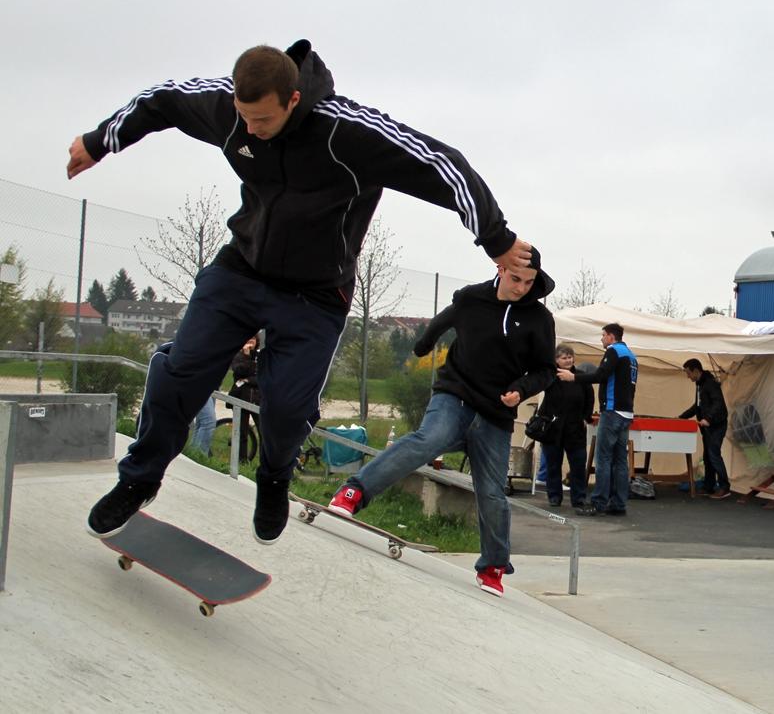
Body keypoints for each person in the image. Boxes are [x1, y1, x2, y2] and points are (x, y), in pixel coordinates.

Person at [74, 40, 531, 543]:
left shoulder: (348, 133)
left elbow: (442, 163)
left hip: (316, 293)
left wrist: (496, 237)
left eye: (263, 121)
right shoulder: (230, 110)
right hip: (242, 268)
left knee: (288, 406)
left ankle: (273, 477)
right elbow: (161, 99)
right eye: (244, 118)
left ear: (293, 101)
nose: (250, 131)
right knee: (182, 370)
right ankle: (139, 479)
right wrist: (101, 141)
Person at [327, 252, 556, 597]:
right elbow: (444, 319)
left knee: (492, 490)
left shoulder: (540, 319)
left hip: (495, 413)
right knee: (428, 440)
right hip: (456, 394)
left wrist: (521, 390)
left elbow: (546, 371)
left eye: (529, 282)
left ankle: (493, 564)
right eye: (516, 279)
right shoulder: (471, 298)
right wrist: (423, 344)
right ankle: (355, 491)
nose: (522, 289)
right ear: (501, 269)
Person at [562, 323, 637, 517]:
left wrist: (574, 378)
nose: (602, 339)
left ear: (612, 337)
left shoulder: (613, 351)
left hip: (612, 412)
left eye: (603, 336)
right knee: (620, 461)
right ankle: (619, 503)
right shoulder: (631, 356)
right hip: (626, 413)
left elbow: (600, 375)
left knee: (603, 458)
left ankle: (598, 502)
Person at [536, 345, 595, 508]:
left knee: (577, 464)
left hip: (575, 427)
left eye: (570, 357)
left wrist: (586, 417)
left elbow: (590, 398)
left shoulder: (581, 376)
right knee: (553, 464)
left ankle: (579, 498)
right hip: (553, 428)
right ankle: (554, 496)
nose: (568, 360)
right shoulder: (550, 376)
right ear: (556, 360)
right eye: (564, 357)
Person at [679, 358, 731, 498]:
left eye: (688, 373)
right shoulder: (699, 385)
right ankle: (709, 486)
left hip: (717, 424)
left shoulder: (710, 384)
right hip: (708, 427)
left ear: (696, 371)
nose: (687, 376)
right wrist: (681, 418)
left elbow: (718, 403)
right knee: (707, 455)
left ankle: (724, 487)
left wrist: (708, 419)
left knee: (713, 454)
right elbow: (697, 406)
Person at [227, 335, 262, 461]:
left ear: (257, 342)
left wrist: (248, 379)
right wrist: (246, 356)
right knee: (242, 433)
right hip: (241, 397)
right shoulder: (239, 356)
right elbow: (239, 371)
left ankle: (264, 462)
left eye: (252, 340)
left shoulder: (260, 356)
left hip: (258, 399)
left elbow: (263, 377)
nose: (249, 342)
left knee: (263, 432)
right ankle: (241, 461)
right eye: (247, 340)